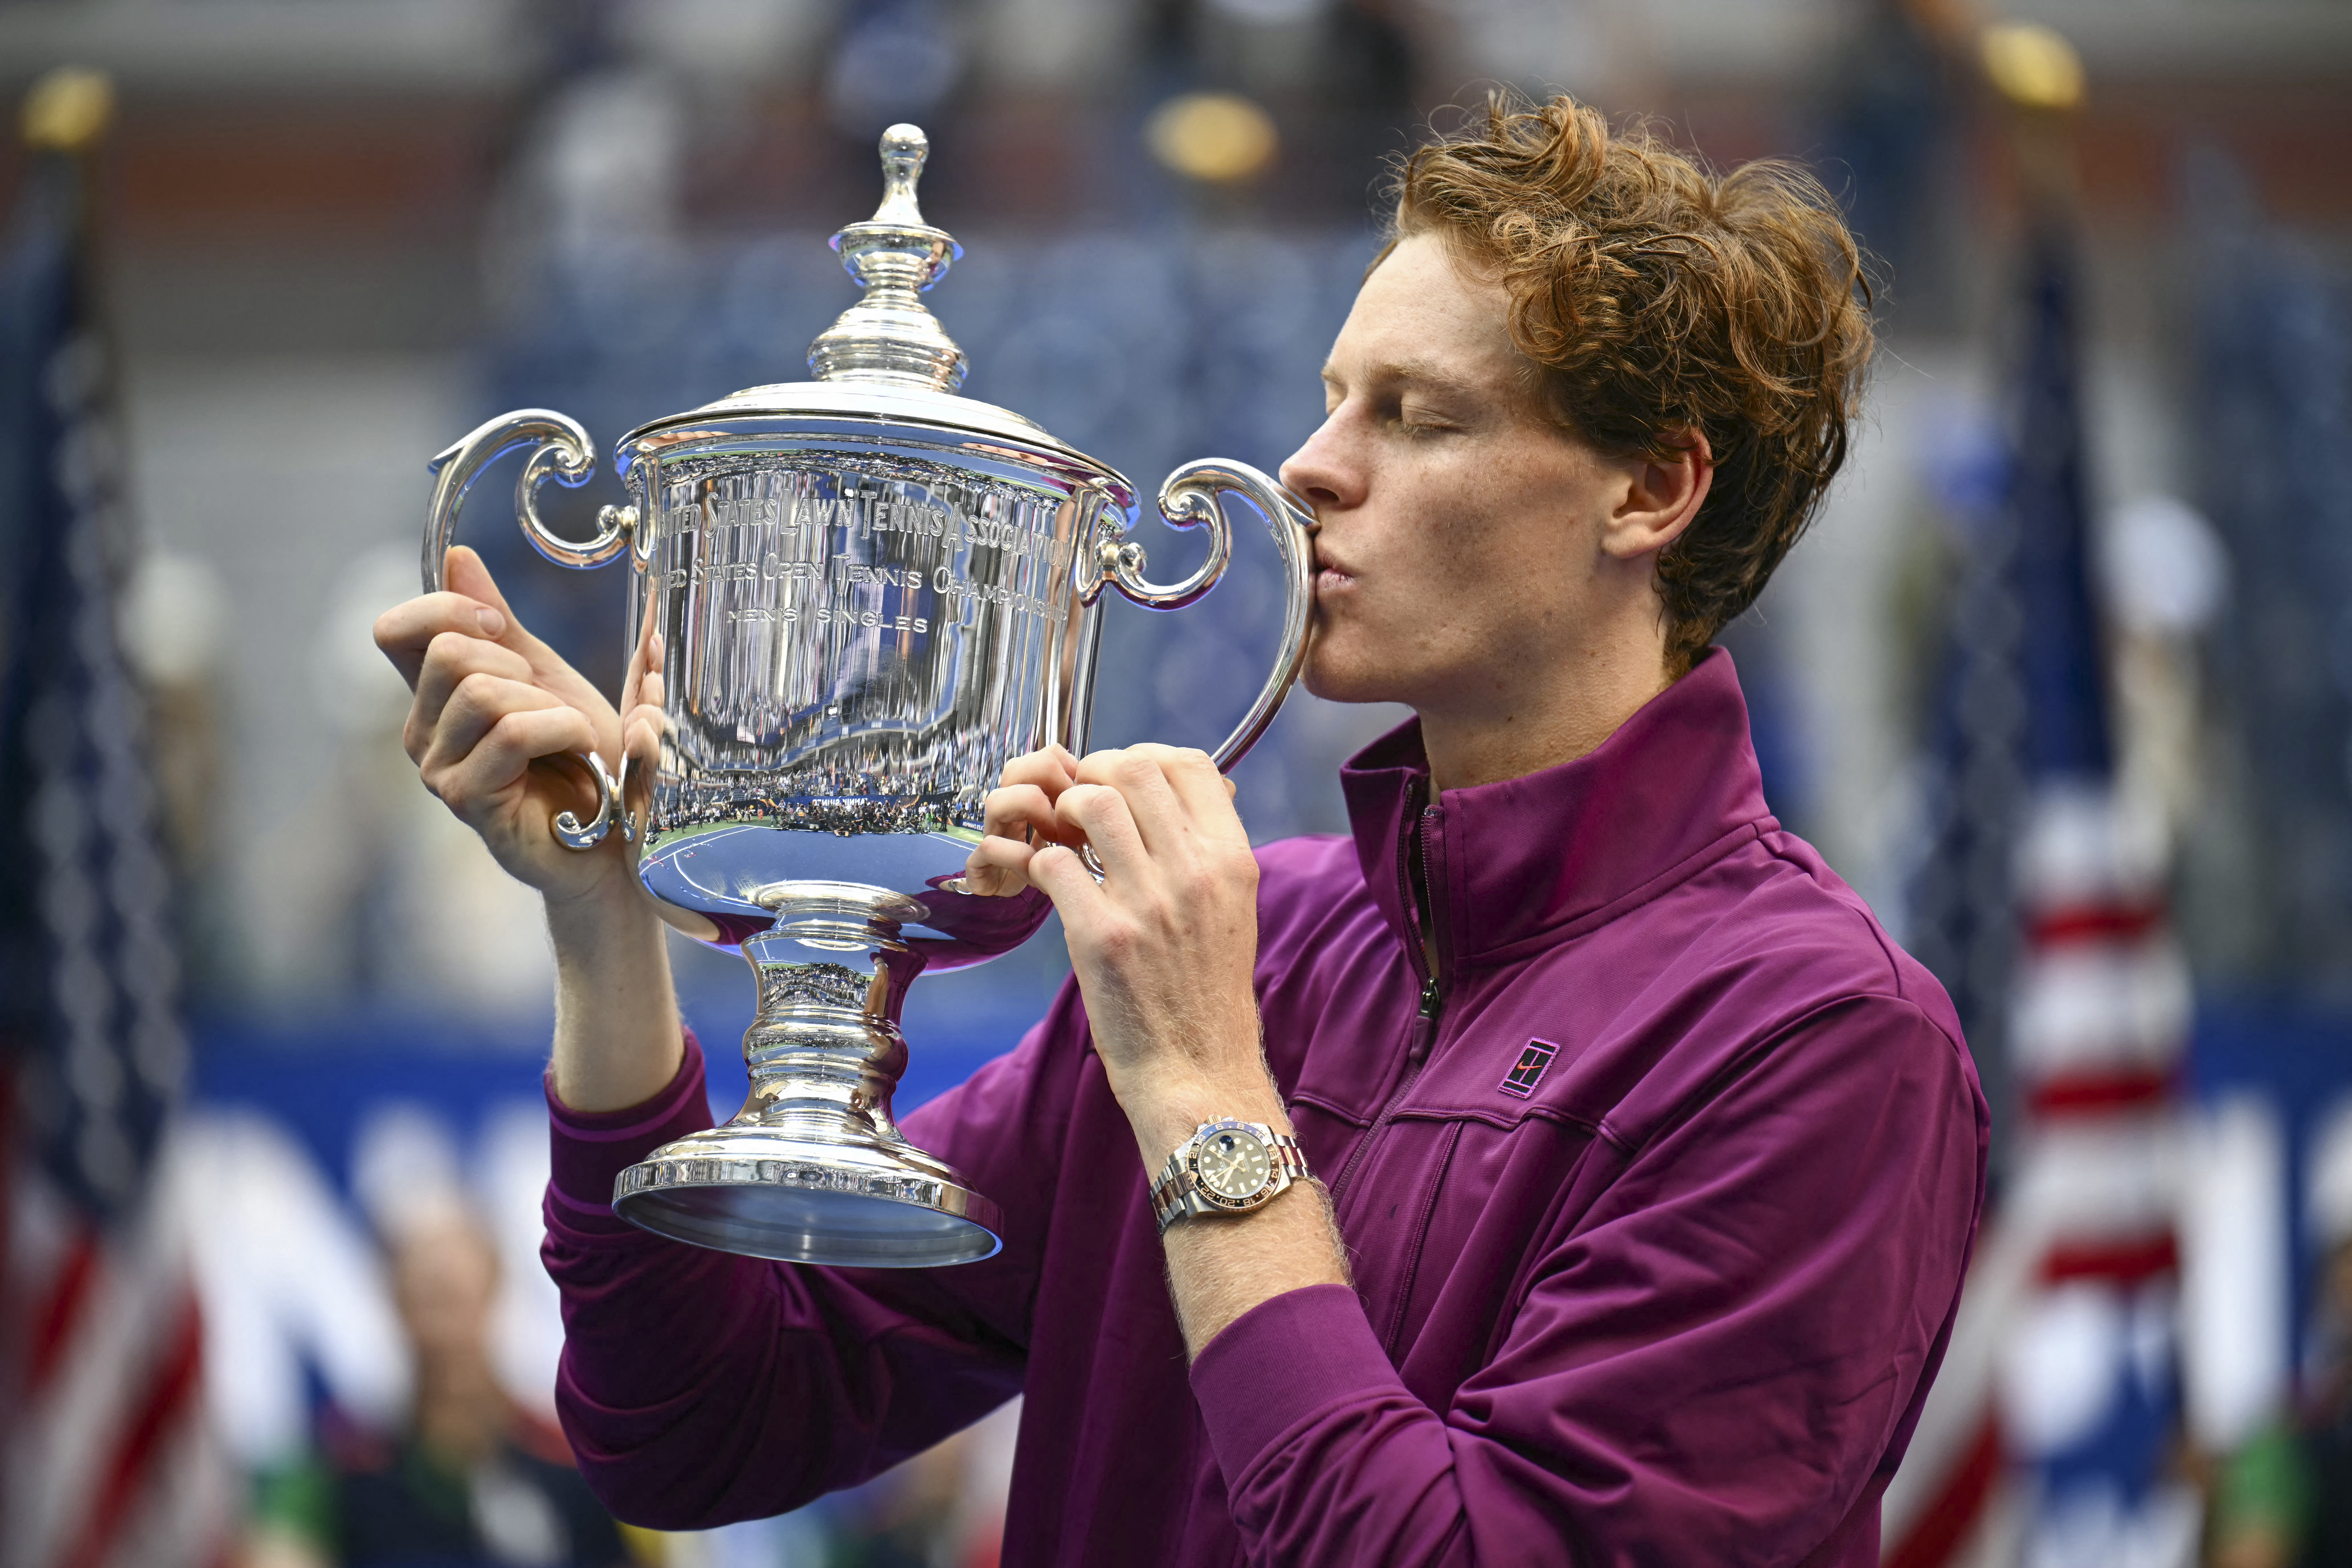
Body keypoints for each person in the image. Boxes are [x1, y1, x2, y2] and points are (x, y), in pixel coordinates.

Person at [375, 93, 1986, 1565]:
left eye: (1415, 417)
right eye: (1331, 401)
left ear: (1650, 492)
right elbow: (694, 1427)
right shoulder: (1253, 940)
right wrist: (600, 918)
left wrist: (1208, 1090)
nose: (1309, 468)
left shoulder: (1821, 1038)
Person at [246, 1203, 632, 1567]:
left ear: (495, 1292)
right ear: (396, 1303)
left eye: (458, 1297)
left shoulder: (564, 1455)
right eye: (428, 1300)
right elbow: (283, 1548)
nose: (444, 1327)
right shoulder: (347, 1462)